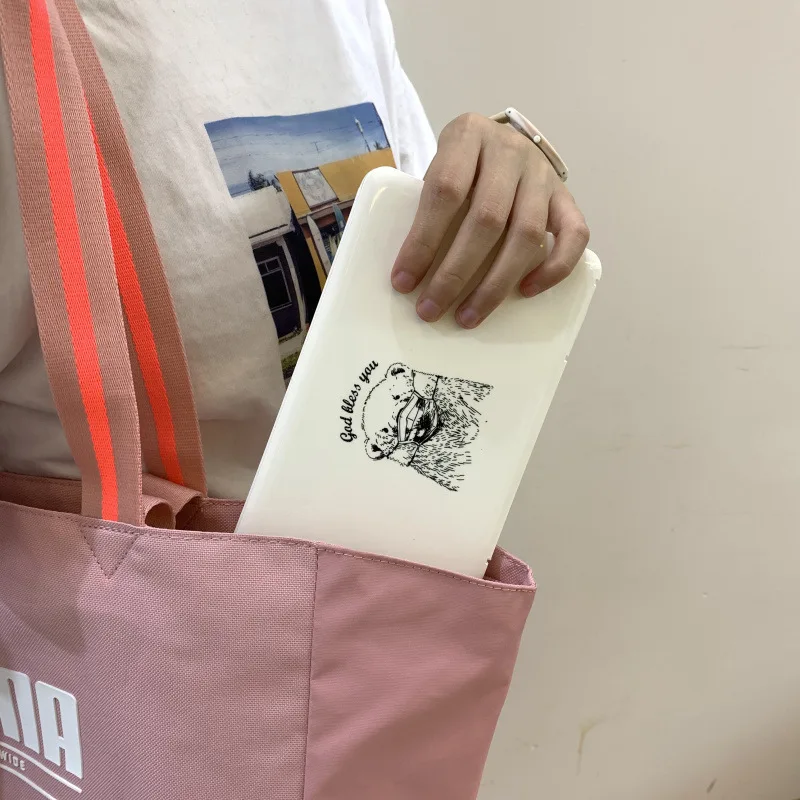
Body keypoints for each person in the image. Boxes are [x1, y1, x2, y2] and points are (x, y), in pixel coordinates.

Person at [0, 0, 589, 499]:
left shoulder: (345, 11)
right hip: (145, 593)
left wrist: (493, 180)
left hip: (373, 569)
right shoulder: (35, 36)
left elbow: (409, 304)